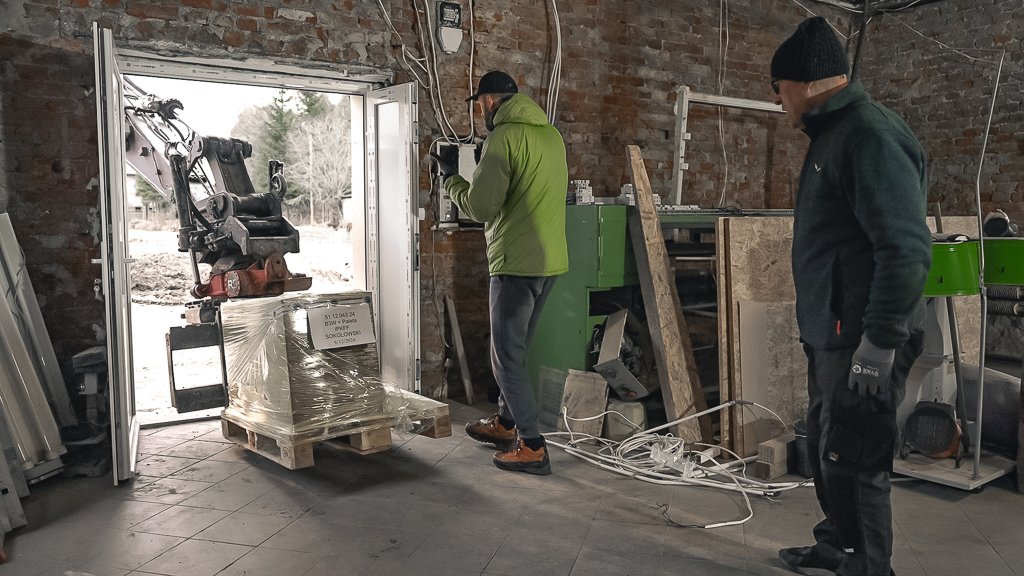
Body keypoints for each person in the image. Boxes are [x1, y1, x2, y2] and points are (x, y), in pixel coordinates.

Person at [770, 17, 931, 576]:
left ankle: (868, 566)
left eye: (779, 89)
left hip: (863, 336)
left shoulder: (868, 135)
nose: (779, 102)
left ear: (804, 82)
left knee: (856, 455)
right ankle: (837, 545)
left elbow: (906, 250)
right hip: (833, 333)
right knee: (827, 447)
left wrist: (880, 342)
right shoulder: (833, 135)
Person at [436, 70, 569, 475]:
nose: (479, 113)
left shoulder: (503, 138)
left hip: (516, 263)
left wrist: (450, 179)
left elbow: (480, 208)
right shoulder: (552, 136)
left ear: (490, 101)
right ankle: (506, 422)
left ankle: (532, 446)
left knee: (505, 360)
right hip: (550, 262)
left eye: (478, 105)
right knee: (517, 350)